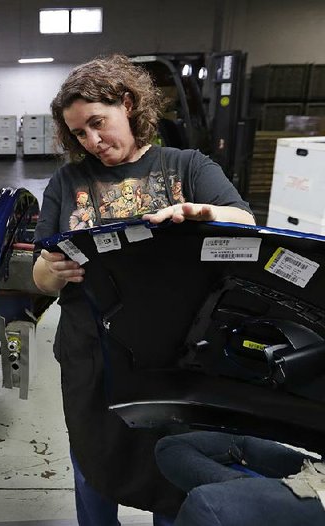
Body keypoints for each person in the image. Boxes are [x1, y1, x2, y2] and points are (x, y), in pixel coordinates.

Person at [32, 54, 255, 525]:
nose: (92, 141)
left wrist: (206, 214)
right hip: (90, 348)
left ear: (128, 104)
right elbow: (39, 274)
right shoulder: (67, 181)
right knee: (92, 452)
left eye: (98, 123)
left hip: (174, 349)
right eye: (78, 133)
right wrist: (55, 271)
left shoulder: (186, 166)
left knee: (171, 457)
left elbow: (246, 222)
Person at [155, 431, 325, 525]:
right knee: (172, 448)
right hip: (319, 468)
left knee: (207, 505)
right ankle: (248, 489)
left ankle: (252, 495)